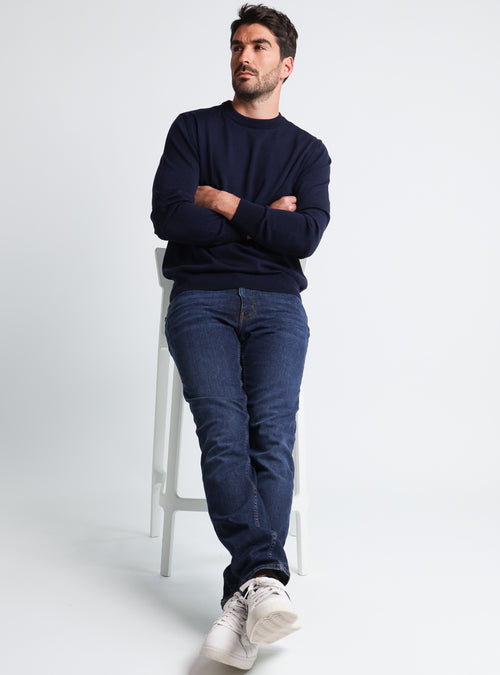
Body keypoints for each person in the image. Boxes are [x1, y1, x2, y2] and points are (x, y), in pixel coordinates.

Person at [151, 3, 331, 670]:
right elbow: (169, 217)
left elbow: (303, 236)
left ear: (286, 66)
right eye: (236, 45)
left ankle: (245, 596)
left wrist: (224, 202)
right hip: (200, 300)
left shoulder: (307, 151)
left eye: (258, 46)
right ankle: (265, 580)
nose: (243, 56)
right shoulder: (193, 130)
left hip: (280, 306)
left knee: (271, 434)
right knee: (225, 429)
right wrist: (261, 222)